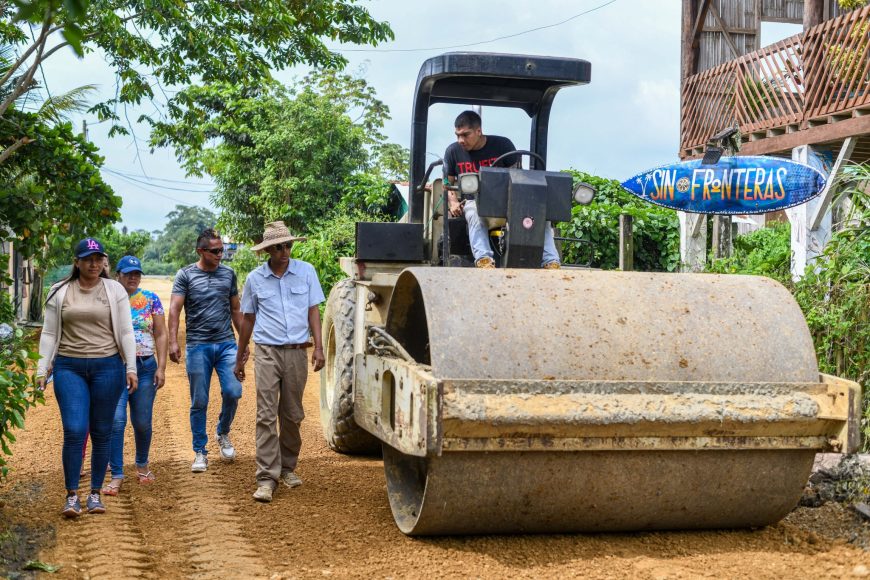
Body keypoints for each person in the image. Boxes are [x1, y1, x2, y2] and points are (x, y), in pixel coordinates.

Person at [36, 238, 137, 518]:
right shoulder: (59, 291)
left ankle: (94, 493)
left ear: (104, 262)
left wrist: (131, 367)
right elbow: (48, 333)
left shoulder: (114, 290)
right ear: (77, 262)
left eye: (98, 259)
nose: (94, 264)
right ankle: (72, 496)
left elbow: (126, 331)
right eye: (88, 259)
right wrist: (42, 369)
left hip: (108, 367)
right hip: (69, 367)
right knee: (74, 429)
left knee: (102, 431)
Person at [233, 221, 325, 503]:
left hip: (297, 352)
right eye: (278, 248)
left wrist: (319, 347)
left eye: (287, 246)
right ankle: (266, 477)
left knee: (292, 413)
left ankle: (287, 467)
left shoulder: (306, 272)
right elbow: (248, 319)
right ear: (267, 251)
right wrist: (240, 355)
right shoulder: (255, 279)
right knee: (265, 414)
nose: (284, 252)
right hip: (267, 352)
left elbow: (313, 311)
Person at [168, 228, 245, 473]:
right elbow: (174, 309)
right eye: (215, 251)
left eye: (222, 250)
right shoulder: (185, 275)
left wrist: (243, 343)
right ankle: (200, 451)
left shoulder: (228, 274)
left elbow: (235, 309)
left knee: (233, 391)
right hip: (197, 345)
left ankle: (222, 431)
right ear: (200, 251)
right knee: (199, 400)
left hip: (226, 344)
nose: (220, 254)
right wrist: (173, 341)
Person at [443, 110, 561, 269]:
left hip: (507, 204)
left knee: (539, 215)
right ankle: (484, 260)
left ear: (478, 131)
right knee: (473, 212)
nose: (460, 140)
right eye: (457, 135)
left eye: (465, 135)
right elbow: (447, 183)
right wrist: (453, 202)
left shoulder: (503, 145)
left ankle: (551, 261)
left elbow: (519, 178)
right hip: (475, 203)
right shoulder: (453, 151)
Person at [102, 256, 167, 495]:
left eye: (137, 273)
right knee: (116, 421)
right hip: (115, 367)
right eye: (128, 273)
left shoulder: (151, 299)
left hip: (145, 366)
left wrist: (161, 367)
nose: (133, 277)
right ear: (117, 275)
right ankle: (116, 473)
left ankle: (142, 464)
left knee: (142, 421)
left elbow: (160, 334)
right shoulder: (108, 298)